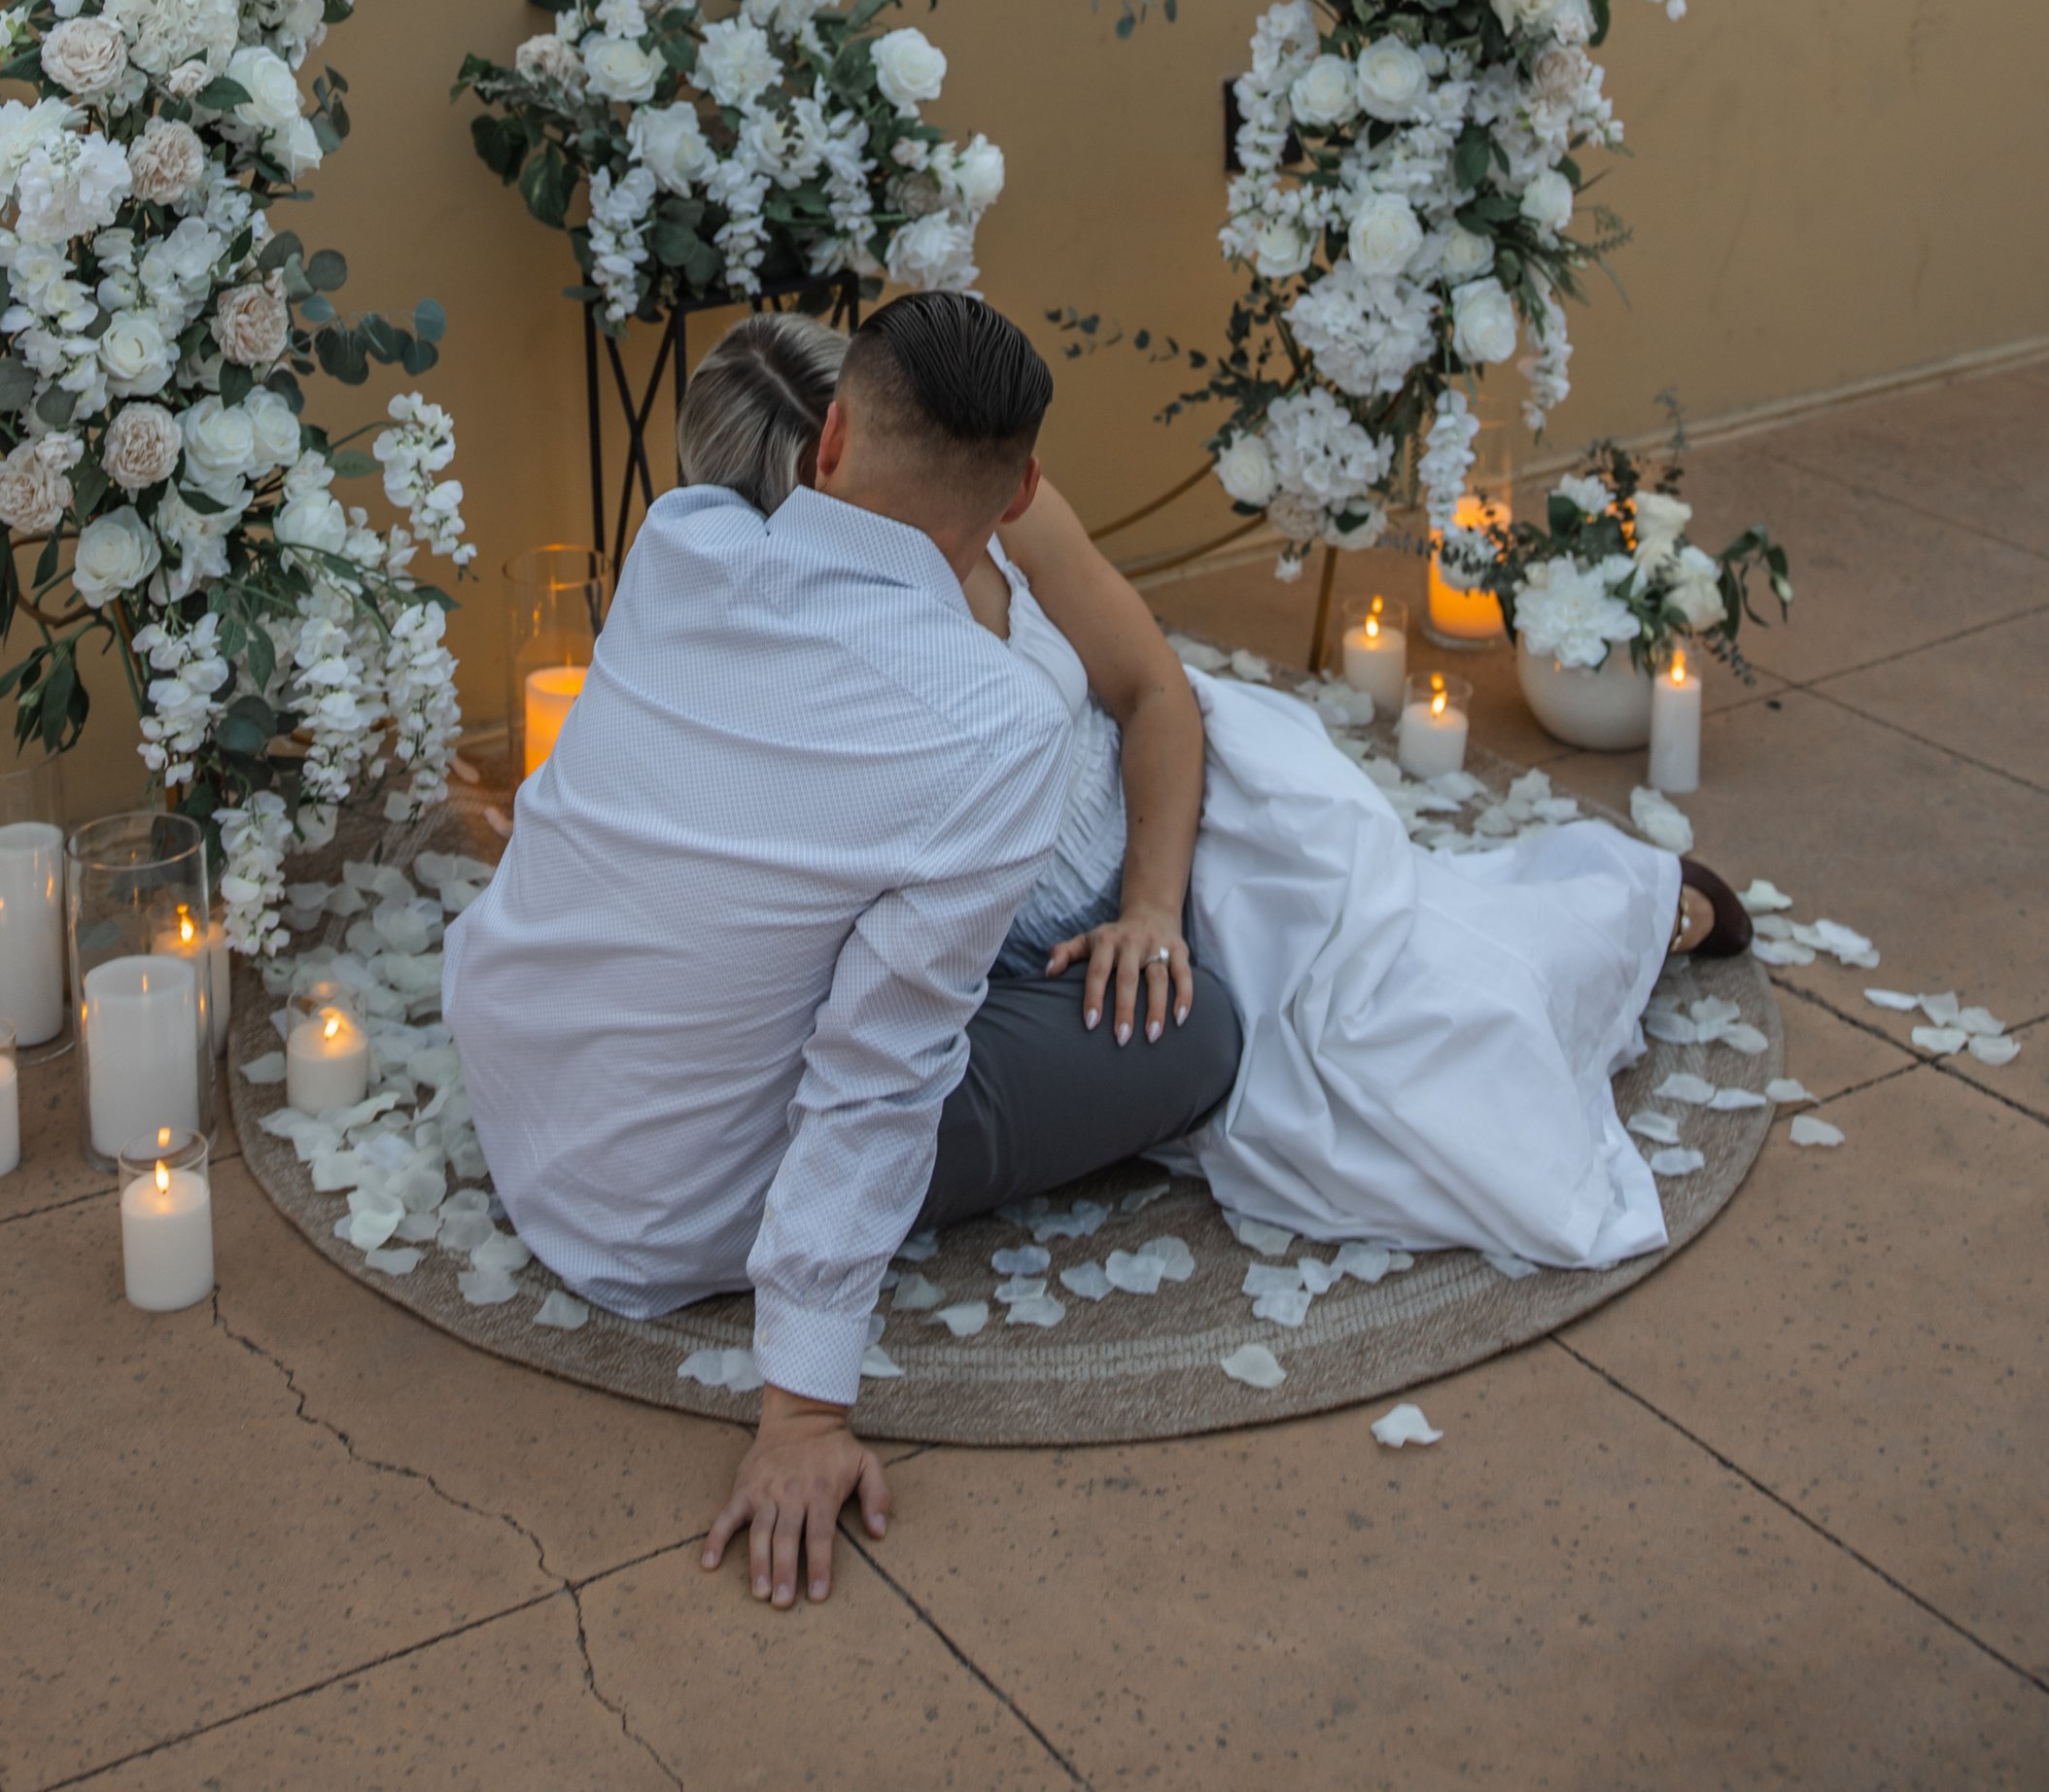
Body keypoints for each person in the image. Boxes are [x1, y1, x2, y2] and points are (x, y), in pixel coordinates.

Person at [675, 313, 1754, 1301]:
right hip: (1022, 963)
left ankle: (1634, 906)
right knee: (1298, 1088)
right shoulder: (770, 640)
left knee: (1420, 1047)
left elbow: (1153, 694)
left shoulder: (992, 491)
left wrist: (1150, 909)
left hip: (1196, 827)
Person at [441, 293, 1240, 1610]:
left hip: (526, 1089)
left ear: (828, 445)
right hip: (666, 1208)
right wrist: (803, 1413)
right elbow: (881, 1067)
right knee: (1196, 1030)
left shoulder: (677, 535)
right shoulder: (993, 726)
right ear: (1021, 489)